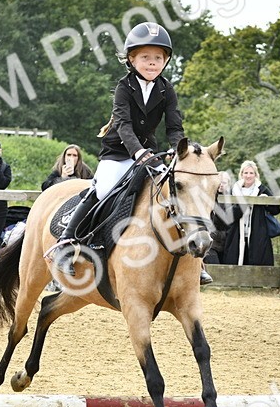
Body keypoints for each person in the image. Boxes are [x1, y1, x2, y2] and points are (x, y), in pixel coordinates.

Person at [47, 22, 183, 276]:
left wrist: (178, 150)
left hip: (149, 154)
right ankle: (65, 244)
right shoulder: (124, 86)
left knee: (172, 190)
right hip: (119, 152)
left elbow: (174, 127)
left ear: (165, 61)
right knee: (104, 189)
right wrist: (138, 153)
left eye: (158, 58)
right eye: (145, 57)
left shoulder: (167, 89)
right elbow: (123, 125)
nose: (152, 63)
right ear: (131, 59)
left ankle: (190, 258)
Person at [219, 160, 280, 266]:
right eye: (246, 173)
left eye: (251, 173)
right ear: (241, 174)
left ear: (255, 175)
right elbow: (228, 214)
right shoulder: (234, 190)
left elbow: (276, 210)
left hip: (257, 233)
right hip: (236, 233)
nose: (248, 176)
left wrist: (265, 201)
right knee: (234, 263)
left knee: (258, 263)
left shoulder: (262, 189)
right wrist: (245, 204)